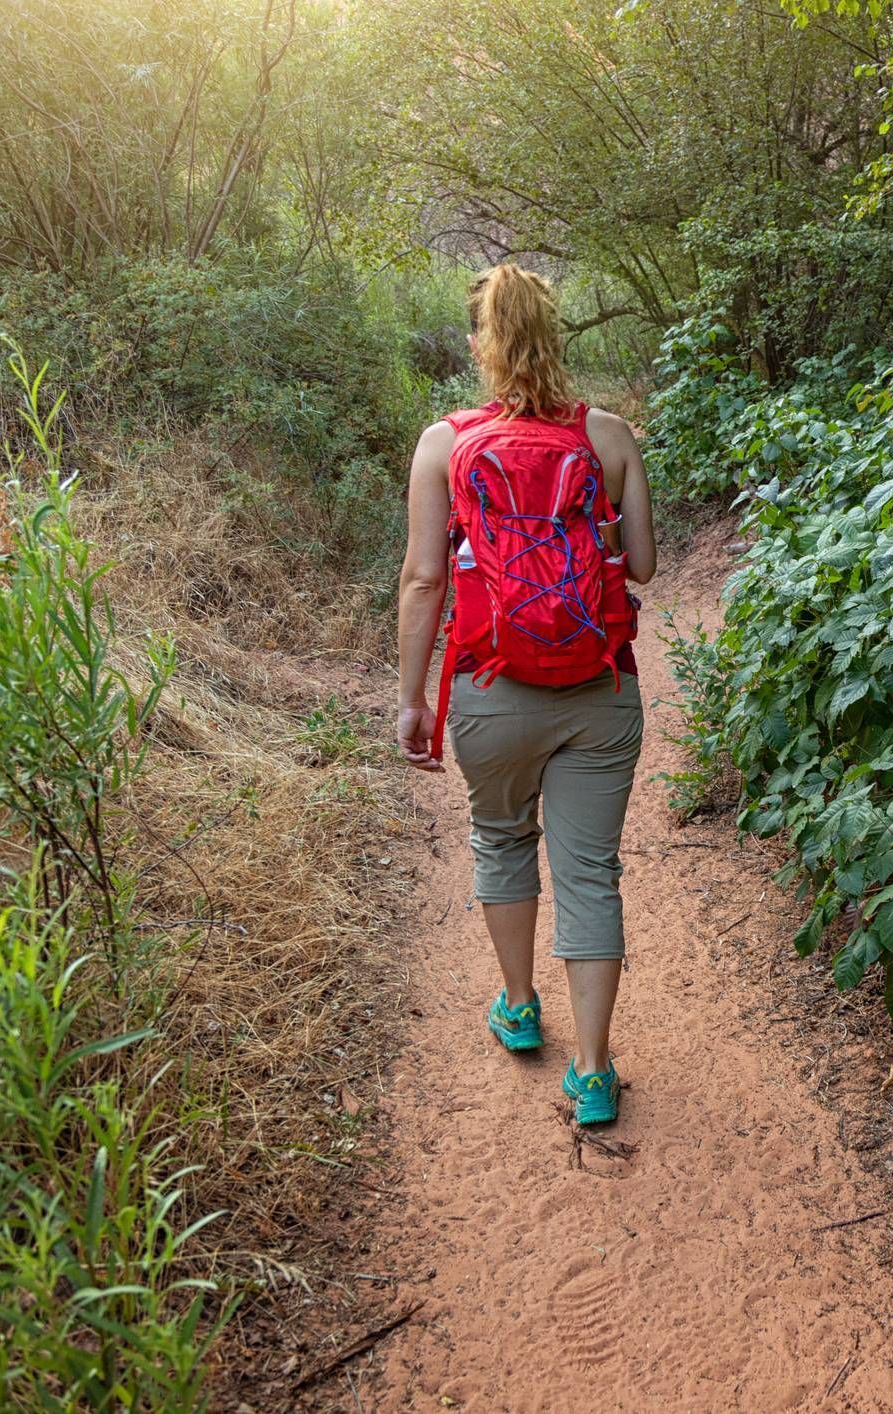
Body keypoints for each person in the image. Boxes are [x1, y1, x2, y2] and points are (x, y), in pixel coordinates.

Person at [394, 264, 656, 1125]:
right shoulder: (609, 436)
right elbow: (644, 566)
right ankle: (590, 1070)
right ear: (555, 338)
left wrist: (411, 699)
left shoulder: (444, 443)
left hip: (489, 687)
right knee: (590, 872)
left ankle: (516, 1004)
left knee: (501, 839)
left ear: (481, 345)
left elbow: (425, 581)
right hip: (599, 688)